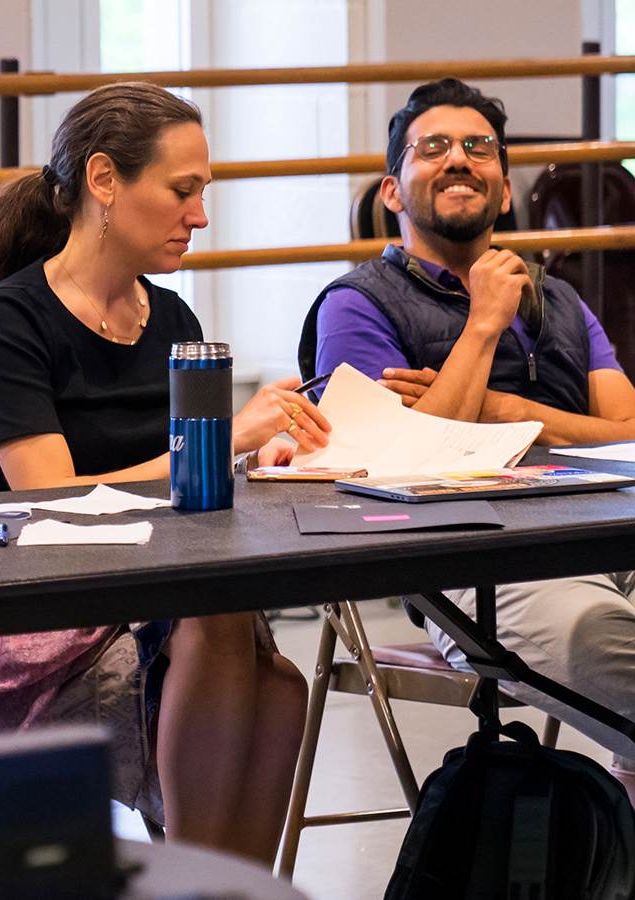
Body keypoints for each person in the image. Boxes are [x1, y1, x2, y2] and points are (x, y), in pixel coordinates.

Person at [0, 82, 329, 863]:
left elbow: (190, 494)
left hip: (148, 594)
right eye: (183, 191)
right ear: (104, 181)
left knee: (281, 685)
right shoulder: (7, 321)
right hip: (34, 614)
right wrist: (222, 439)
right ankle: (199, 880)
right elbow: (50, 497)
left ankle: (216, 885)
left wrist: (263, 460)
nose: (200, 216)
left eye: (202, 192)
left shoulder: (173, 320)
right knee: (222, 623)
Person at [301, 77, 635, 804]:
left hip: (609, 535)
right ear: (392, 191)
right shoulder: (356, 306)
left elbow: (629, 433)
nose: (459, 158)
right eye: (434, 148)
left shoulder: (561, 300)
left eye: (479, 147)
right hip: (480, 565)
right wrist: (483, 324)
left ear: (505, 190)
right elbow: (395, 463)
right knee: (608, 640)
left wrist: (499, 409)